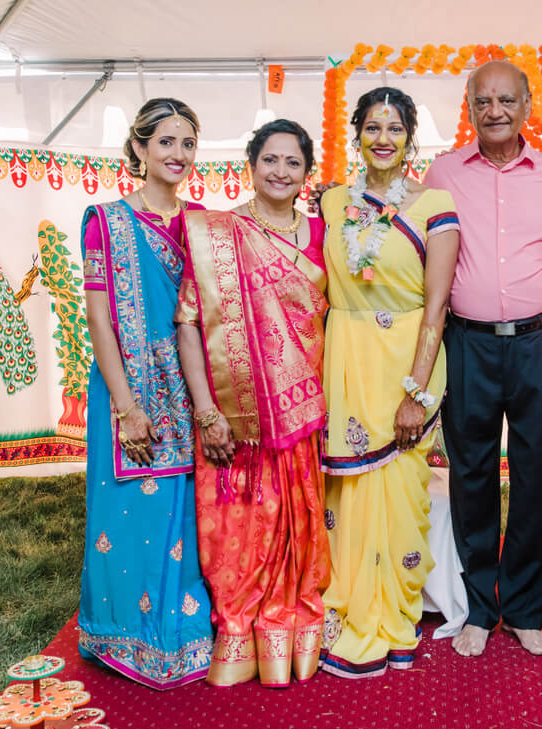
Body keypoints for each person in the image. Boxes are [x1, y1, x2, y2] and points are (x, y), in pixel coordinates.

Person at [175, 119, 330, 687]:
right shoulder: (219, 235)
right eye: (271, 160)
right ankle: (239, 627)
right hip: (235, 413)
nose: (281, 172)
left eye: (293, 163)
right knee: (239, 519)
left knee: (294, 521)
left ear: (306, 173)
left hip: (302, 411)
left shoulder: (321, 235)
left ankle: (291, 625)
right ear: (251, 164)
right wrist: (207, 412)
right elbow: (189, 324)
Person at [424, 61, 542, 657]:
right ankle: (481, 607)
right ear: (470, 106)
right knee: (472, 475)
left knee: (537, 477)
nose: (496, 111)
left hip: (540, 342)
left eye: (507, 99)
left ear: (528, 104)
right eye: (484, 101)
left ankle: (529, 609)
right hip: (469, 342)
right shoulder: (443, 172)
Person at [319, 87, 460, 678]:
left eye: (394, 128)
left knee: (402, 491)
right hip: (345, 362)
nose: (383, 138)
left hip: (407, 361)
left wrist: (416, 392)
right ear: (357, 135)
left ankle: (397, 614)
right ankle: (347, 606)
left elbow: (437, 309)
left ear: (409, 138)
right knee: (343, 498)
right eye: (372, 127)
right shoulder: (329, 204)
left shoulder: (436, 205)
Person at [77, 98, 213, 689]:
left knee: (184, 511)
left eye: (186, 144)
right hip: (126, 389)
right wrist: (127, 407)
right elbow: (100, 320)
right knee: (129, 512)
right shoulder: (104, 220)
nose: (177, 155)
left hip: (187, 385)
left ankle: (180, 632)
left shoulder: (202, 224)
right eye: (165, 142)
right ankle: (120, 632)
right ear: (138, 148)